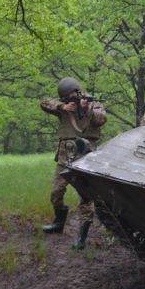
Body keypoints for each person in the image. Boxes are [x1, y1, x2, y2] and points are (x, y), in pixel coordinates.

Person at [40, 77, 107, 249]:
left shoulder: (92, 102)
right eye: (67, 95)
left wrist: (87, 109)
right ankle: (59, 222)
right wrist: (63, 106)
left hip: (85, 152)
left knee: (86, 196)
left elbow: (101, 120)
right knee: (56, 192)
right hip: (65, 154)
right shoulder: (63, 105)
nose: (71, 96)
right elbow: (44, 102)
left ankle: (82, 236)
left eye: (72, 94)